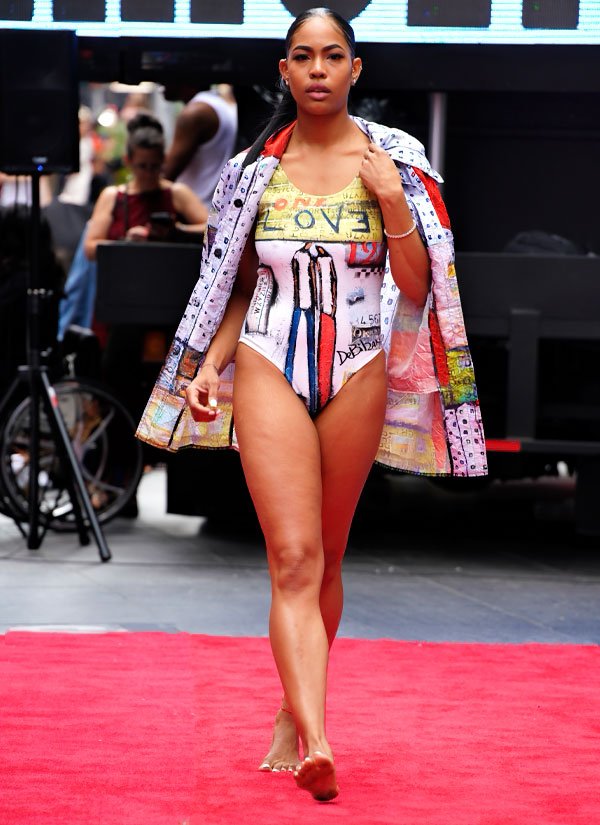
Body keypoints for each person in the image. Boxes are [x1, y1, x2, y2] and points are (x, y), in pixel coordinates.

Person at [137, 8, 487, 802]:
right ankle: (319, 741)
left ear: (354, 69)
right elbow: (236, 287)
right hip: (268, 360)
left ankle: (291, 716)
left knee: (326, 554)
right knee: (293, 558)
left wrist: (393, 203)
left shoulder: (397, 160)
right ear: (285, 71)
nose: (319, 69)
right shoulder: (251, 172)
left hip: (360, 370)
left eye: (333, 55)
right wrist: (211, 366)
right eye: (304, 56)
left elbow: (417, 287)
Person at [162, 83, 238, 204]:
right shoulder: (218, 103)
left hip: (198, 209)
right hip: (214, 207)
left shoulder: (195, 112)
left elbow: (163, 176)